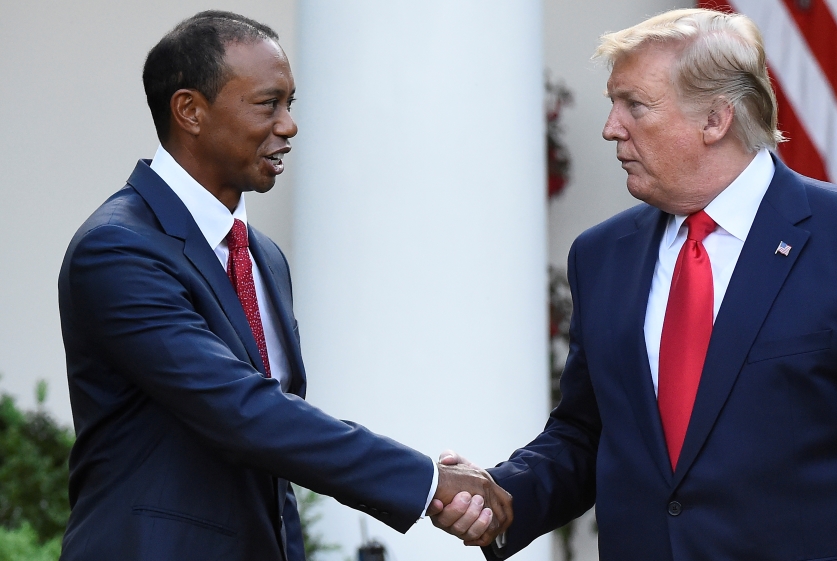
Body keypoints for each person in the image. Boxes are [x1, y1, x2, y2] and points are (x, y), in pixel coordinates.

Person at [431, 8, 837, 560]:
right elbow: (586, 434)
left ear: (715, 119)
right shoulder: (600, 256)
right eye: (611, 103)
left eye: (635, 105)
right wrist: (501, 495)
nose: (611, 126)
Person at [57, 11, 509, 560]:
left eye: (290, 103)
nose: (289, 125)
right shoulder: (118, 249)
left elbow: (276, 450)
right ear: (190, 111)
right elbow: (244, 411)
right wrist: (427, 484)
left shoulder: (260, 256)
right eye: (268, 104)